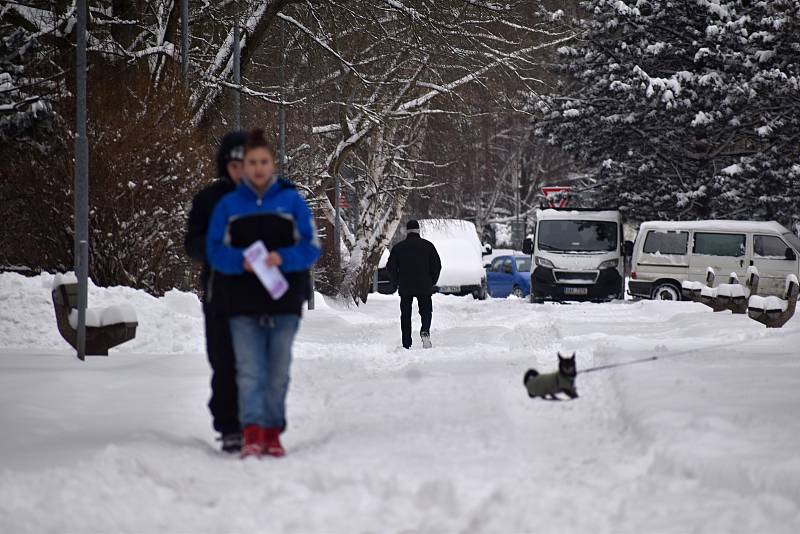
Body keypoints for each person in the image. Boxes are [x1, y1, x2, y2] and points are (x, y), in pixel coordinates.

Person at [206, 128, 320, 458]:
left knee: (278, 370)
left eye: (263, 161)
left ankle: (273, 431)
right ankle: (252, 431)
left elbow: (311, 247)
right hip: (241, 302)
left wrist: (282, 257)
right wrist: (240, 261)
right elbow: (214, 250)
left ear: (273, 164)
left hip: (283, 300)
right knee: (250, 370)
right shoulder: (229, 205)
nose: (257, 168)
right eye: (252, 162)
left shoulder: (291, 201)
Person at [184, 131, 247, 454]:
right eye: (234, 163)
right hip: (219, 293)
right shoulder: (208, 200)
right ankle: (229, 426)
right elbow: (191, 243)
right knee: (223, 361)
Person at [386, 220, 442, 349]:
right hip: (424, 285)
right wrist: (432, 281)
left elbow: (390, 267)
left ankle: (406, 342)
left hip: (405, 286)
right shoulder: (428, 246)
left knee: (405, 314)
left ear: (407, 231)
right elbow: (437, 265)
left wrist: (397, 281)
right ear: (418, 230)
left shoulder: (399, 247)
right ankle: (425, 331)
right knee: (426, 310)